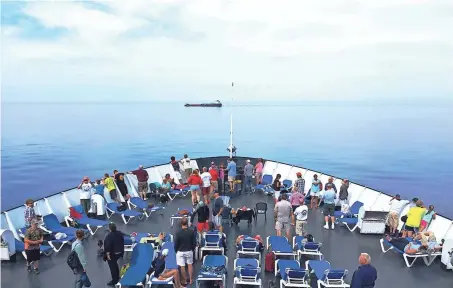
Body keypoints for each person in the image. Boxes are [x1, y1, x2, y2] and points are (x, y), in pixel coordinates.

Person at [174, 217, 196, 286]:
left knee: (182, 266)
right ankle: (190, 279)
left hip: (180, 251)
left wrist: (176, 250)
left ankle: (184, 280)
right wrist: (192, 249)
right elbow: (194, 242)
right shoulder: (191, 231)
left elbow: (176, 243)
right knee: (190, 265)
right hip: (189, 250)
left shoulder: (178, 232)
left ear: (181, 223)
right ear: (187, 223)